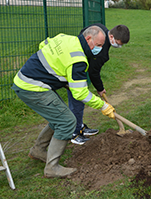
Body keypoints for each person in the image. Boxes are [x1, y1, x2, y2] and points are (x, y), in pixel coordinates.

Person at [12, 26, 116, 178]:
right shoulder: (79, 60)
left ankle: (38, 150)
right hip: (33, 88)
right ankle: (52, 168)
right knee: (67, 121)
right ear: (88, 39)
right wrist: (103, 106)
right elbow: (80, 93)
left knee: (59, 117)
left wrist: (59, 70)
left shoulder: (65, 38)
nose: (99, 49)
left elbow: (44, 44)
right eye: (98, 45)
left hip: (24, 79)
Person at [68, 24, 130, 145]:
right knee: (77, 101)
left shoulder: (100, 29)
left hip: (78, 65)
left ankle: (80, 127)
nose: (119, 46)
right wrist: (100, 89)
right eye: (118, 42)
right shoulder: (101, 53)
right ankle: (75, 133)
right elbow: (93, 73)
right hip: (74, 68)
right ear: (111, 36)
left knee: (80, 102)